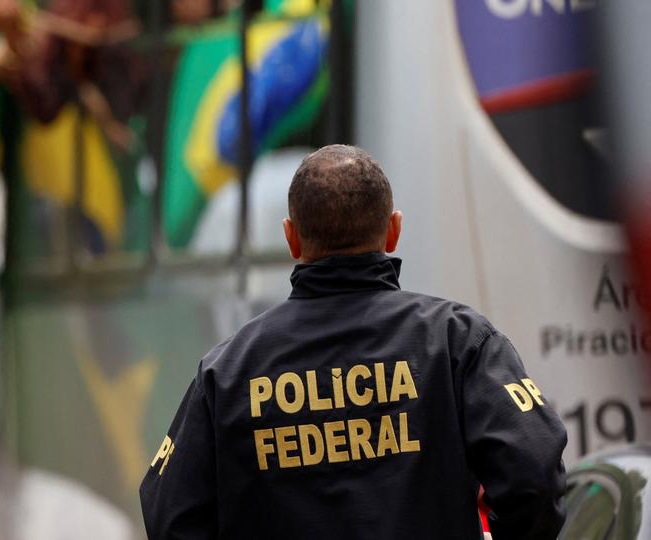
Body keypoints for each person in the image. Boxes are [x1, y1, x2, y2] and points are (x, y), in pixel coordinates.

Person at [139, 145, 567, 540]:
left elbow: (171, 516)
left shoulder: (227, 370)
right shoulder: (459, 342)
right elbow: (534, 478)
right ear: (393, 231)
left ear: (291, 238)